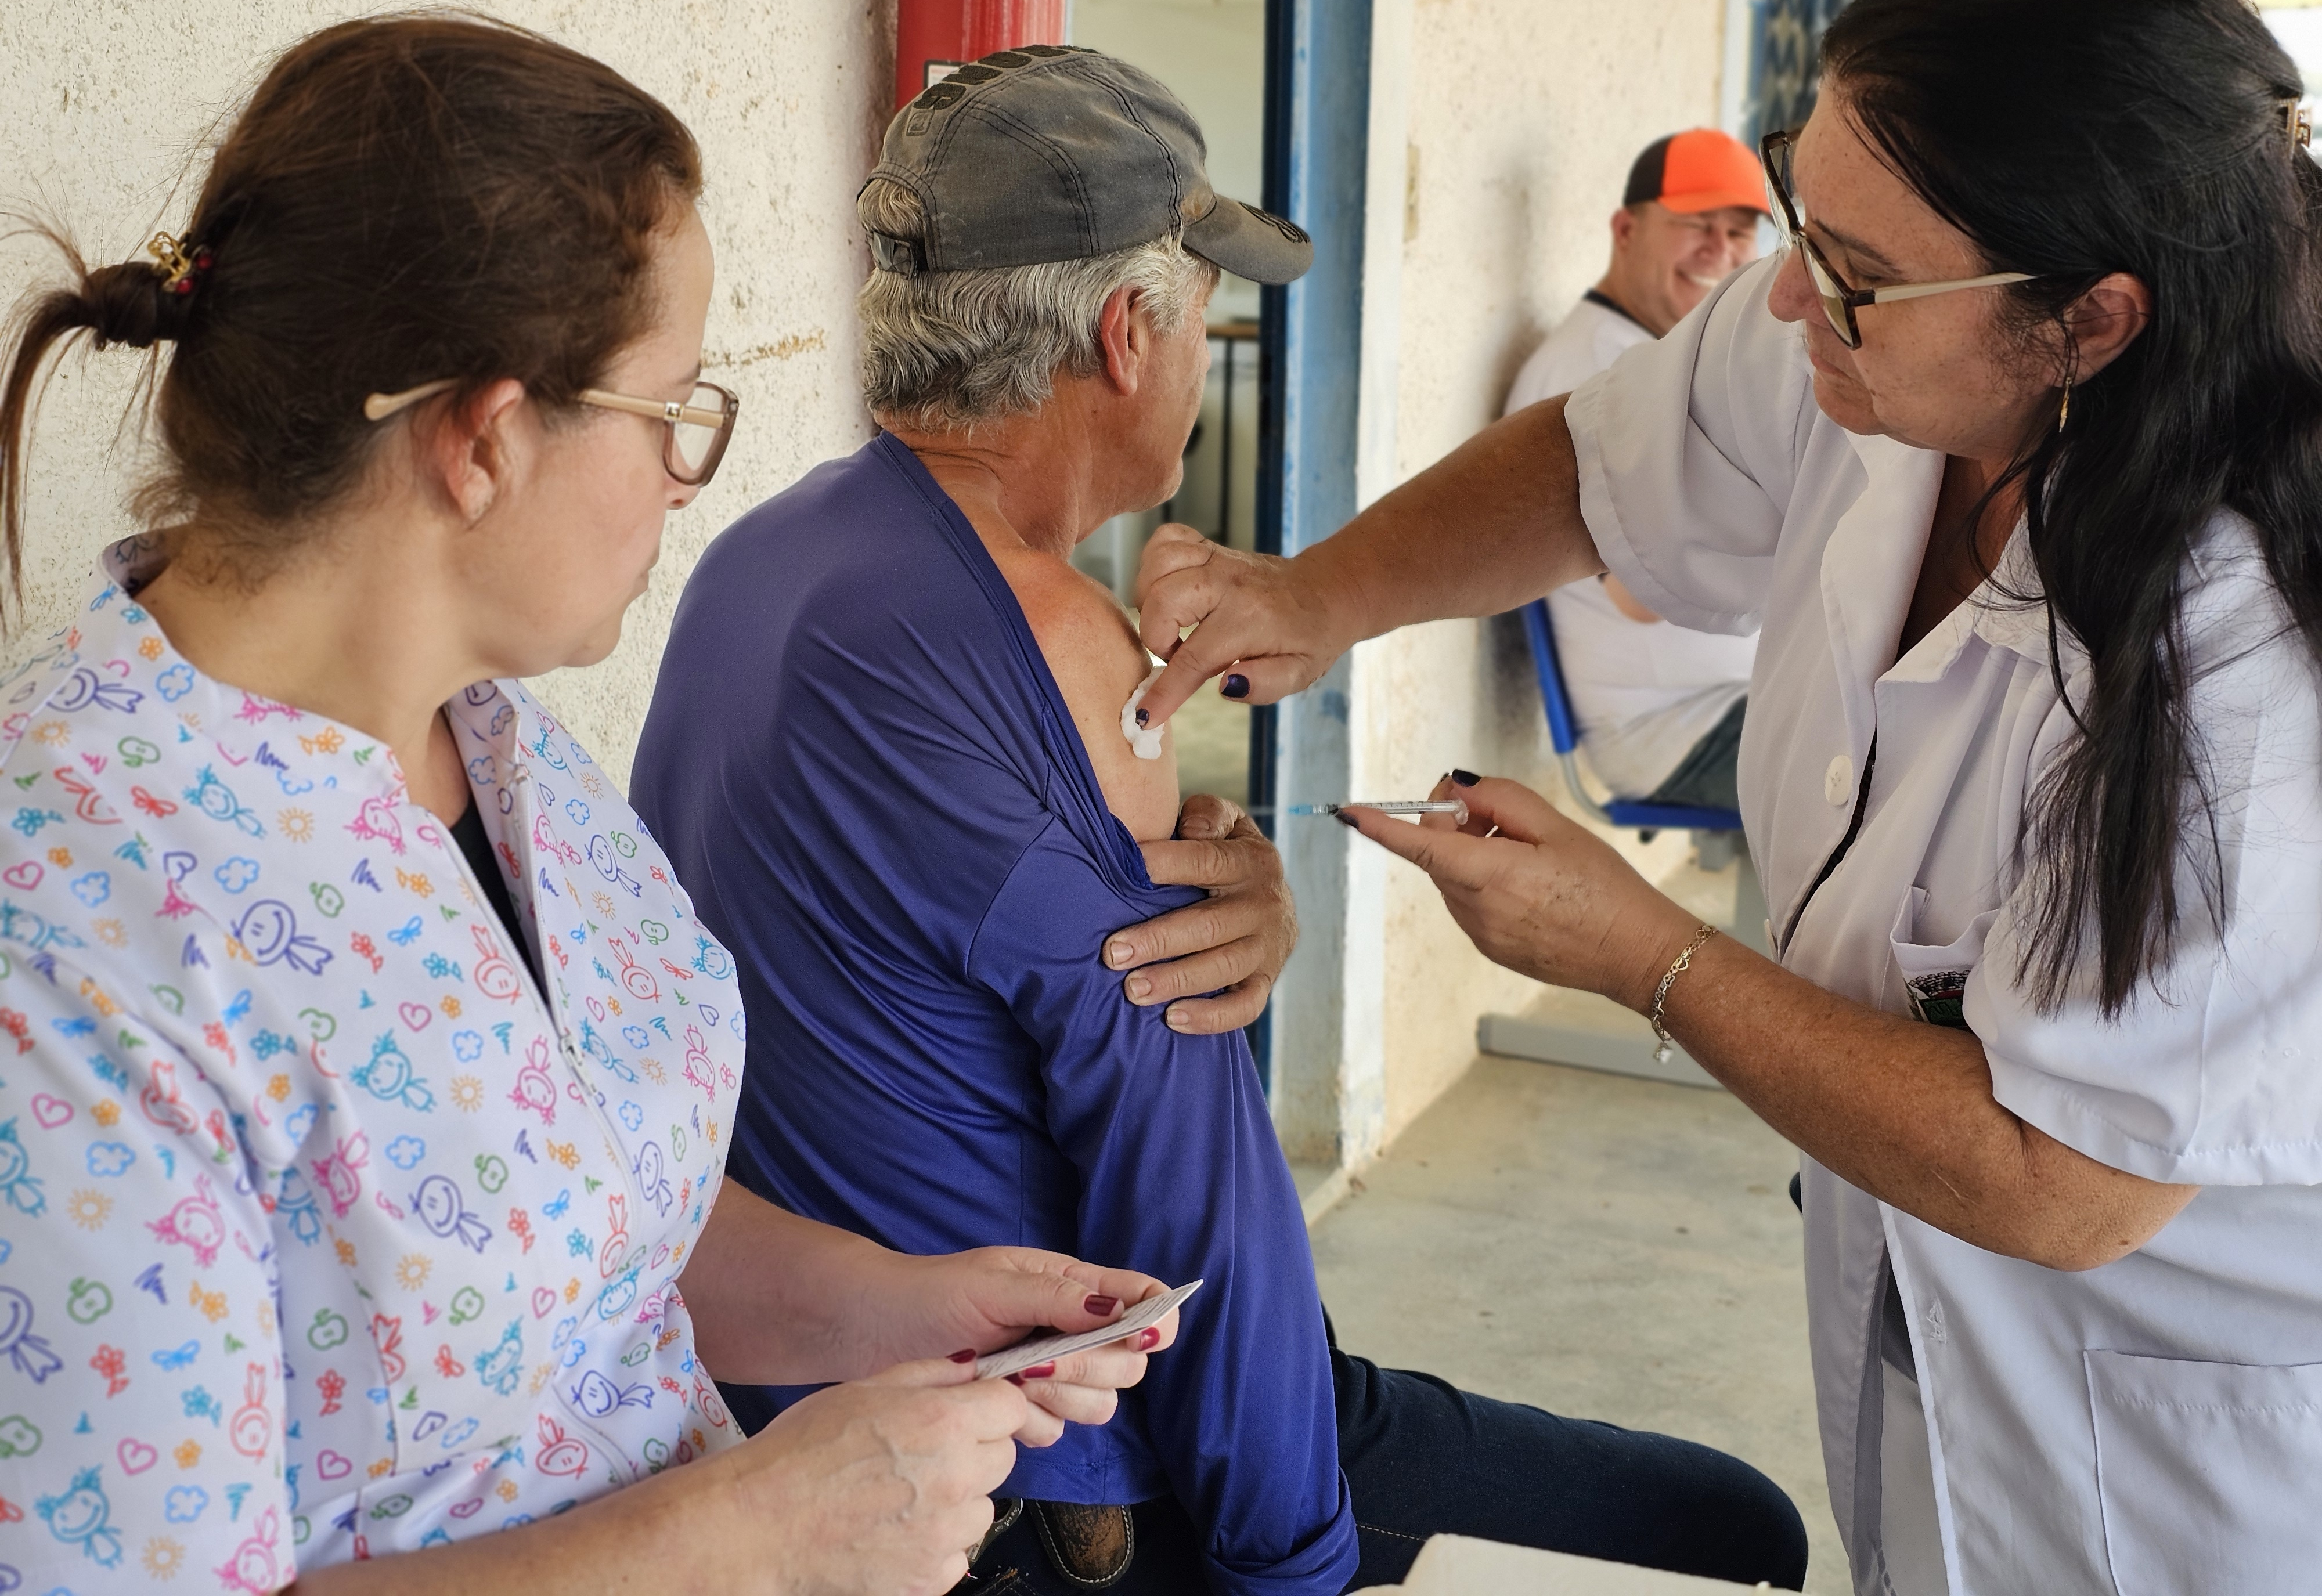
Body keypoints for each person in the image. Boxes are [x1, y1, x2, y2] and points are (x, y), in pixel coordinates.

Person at [1133, 2, 2322, 1591]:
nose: (1784, 294)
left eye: (1857, 274)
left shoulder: (2246, 659)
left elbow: (2069, 1175)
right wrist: (1319, 593)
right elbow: (1604, 461)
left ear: (2089, 323)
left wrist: (1648, 952)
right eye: (1793, 214)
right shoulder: (1869, 323)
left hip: (2181, 1446)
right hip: (1920, 1321)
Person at [0, 20, 1181, 1595]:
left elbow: (593, 1231)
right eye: (672, 407)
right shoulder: (72, 934)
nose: (688, 476)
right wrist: (758, 1531)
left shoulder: (496, 743)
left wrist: (910, 1304)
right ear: (487, 439)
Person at [634, 48, 1808, 1596]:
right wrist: (1291, 1554)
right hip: (1053, 1474)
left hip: (812, 1395)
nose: (1202, 349)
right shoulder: (1059, 641)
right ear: (1128, 337)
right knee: (1738, 1533)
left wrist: (1228, 870)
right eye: (1201, 311)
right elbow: (1179, 1170)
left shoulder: (765, 557)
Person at [1505, 129, 1763, 812]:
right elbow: (1646, 591)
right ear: (1626, 230)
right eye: (1696, 225)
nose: (1720, 251)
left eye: (1739, 232)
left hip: (1736, 703)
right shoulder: (1595, 371)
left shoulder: (1659, 358)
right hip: (1672, 728)